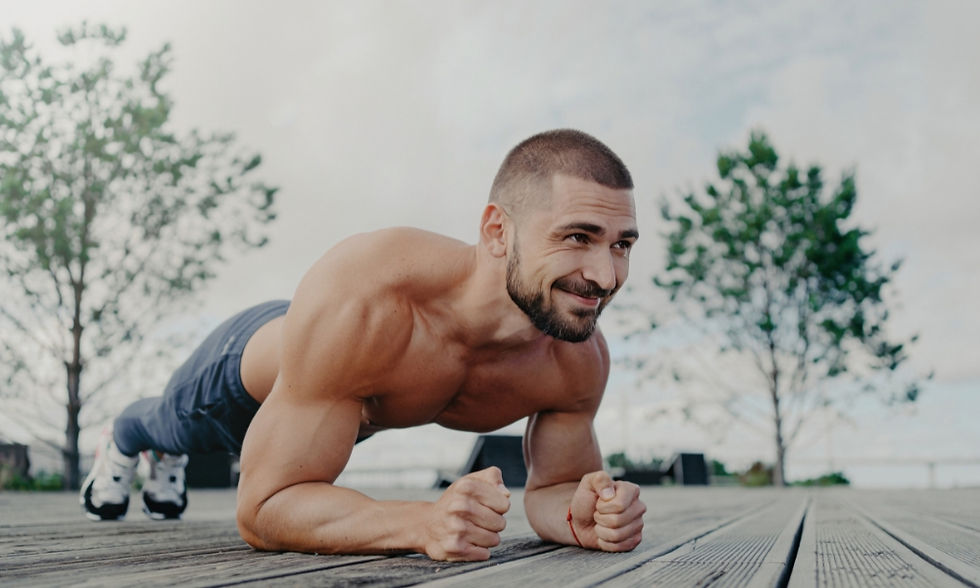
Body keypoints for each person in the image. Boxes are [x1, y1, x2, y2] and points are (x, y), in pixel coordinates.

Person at [80, 129, 646, 561]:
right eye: (578, 237)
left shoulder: (575, 355)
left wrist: (581, 517)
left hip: (332, 394)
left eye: (622, 245)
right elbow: (264, 508)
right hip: (247, 375)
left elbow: (555, 487)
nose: (605, 276)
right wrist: (422, 523)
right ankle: (128, 438)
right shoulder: (372, 294)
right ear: (498, 232)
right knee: (168, 425)